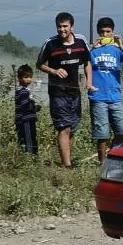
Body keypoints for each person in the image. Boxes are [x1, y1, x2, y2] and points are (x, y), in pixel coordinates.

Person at [36, 11, 92, 169]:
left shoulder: (81, 42)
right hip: (57, 92)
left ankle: (68, 161)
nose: (62, 30)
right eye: (59, 27)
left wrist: (89, 81)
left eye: (65, 26)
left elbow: (87, 62)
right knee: (64, 128)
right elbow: (39, 64)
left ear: (72, 26)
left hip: (75, 92)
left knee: (72, 129)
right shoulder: (50, 43)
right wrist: (54, 71)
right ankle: (67, 166)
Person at [88, 16, 123, 162]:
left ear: (112, 32)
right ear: (98, 32)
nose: (105, 35)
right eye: (102, 32)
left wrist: (120, 45)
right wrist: (92, 47)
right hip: (98, 96)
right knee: (102, 134)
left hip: (115, 96)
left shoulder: (116, 50)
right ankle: (102, 163)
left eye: (108, 32)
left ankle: (115, 158)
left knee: (122, 131)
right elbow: (83, 61)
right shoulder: (92, 51)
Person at [15, 64, 40, 156]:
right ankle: (31, 157)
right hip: (26, 120)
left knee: (25, 139)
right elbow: (26, 106)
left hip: (24, 119)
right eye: (26, 77)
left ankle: (26, 156)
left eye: (30, 77)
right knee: (29, 139)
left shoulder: (23, 90)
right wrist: (35, 108)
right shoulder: (23, 91)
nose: (29, 79)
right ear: (19, 78)